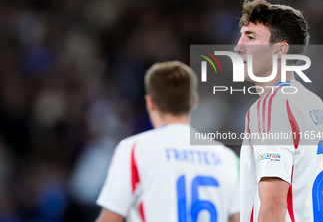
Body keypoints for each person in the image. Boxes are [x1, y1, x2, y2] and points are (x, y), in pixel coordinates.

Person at [95, 61, 240, 222]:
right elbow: (239, 218)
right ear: (194, 101)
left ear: (150, 102)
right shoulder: (228, 158)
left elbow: (110, 218)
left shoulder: (134, 149)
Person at [236, 0, 323, 222]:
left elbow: (273, 205)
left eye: (251, 38)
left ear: (280, 50)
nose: (238, 47)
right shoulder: (316, 106)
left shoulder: (272, 105)